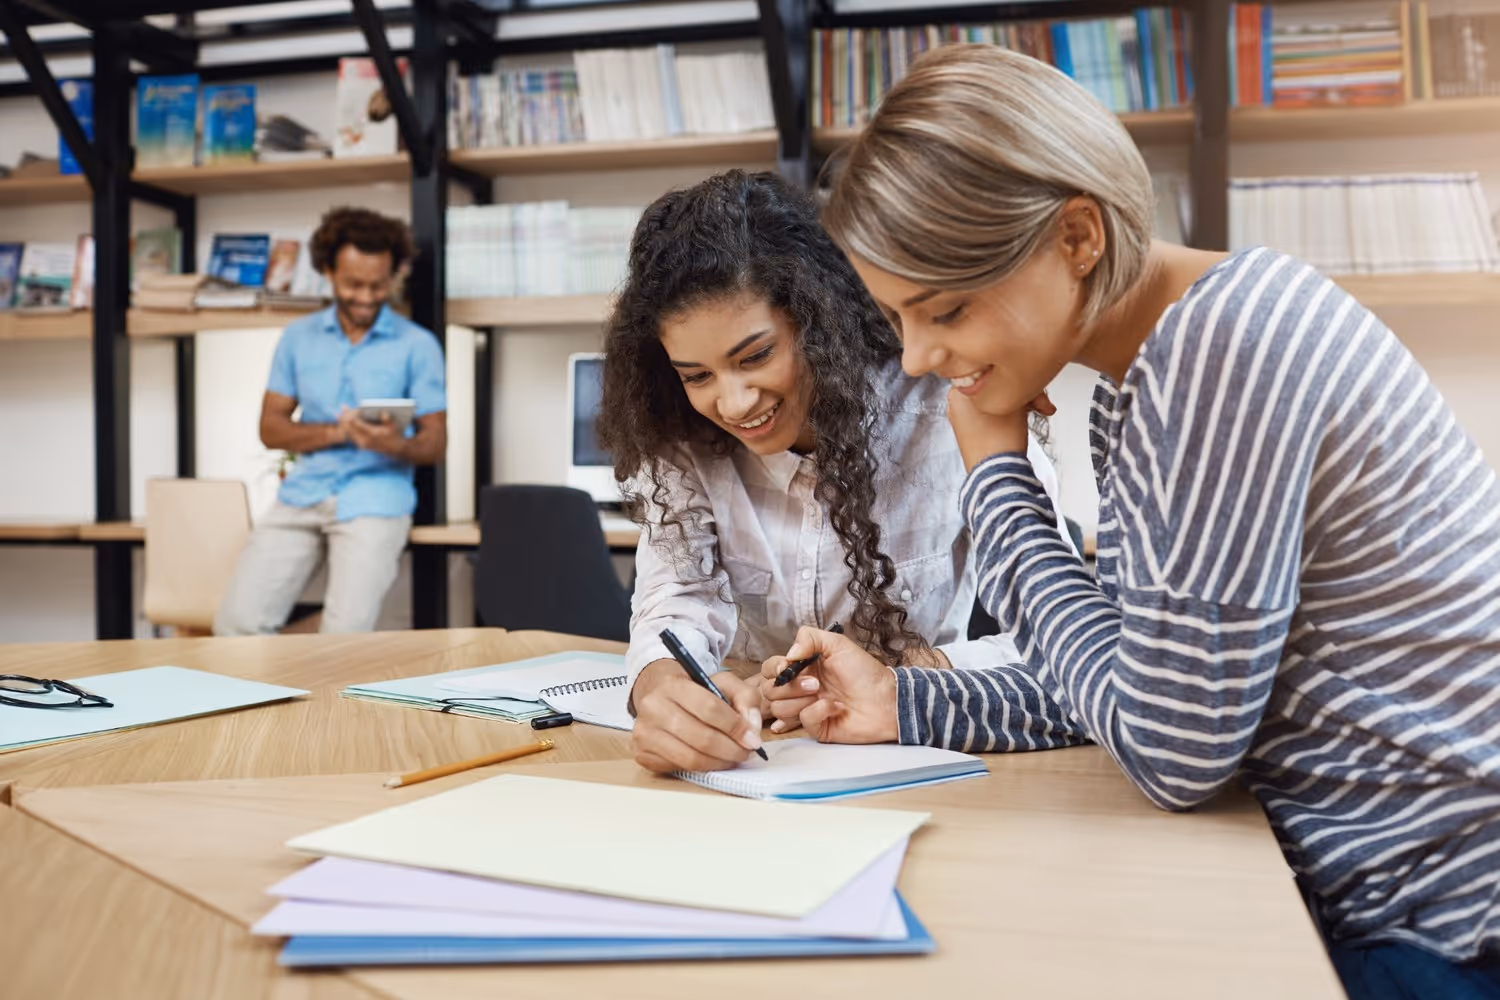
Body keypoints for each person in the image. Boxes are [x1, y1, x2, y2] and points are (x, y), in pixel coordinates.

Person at [761, 45, 1500, 999]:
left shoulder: (1225, 353)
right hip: (1372, 893)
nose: (916, 358)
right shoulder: (1144, 381)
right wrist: (905, 703)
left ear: (1077, 236)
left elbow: (1169, 753)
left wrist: (996, 474)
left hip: (1440, 926)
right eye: (899, 319)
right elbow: (1136, 678)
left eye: (944, 310)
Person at [598, 169, 1063, 775]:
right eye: (698, 376)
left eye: (756, 356)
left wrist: (913, 678)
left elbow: (1059, 642)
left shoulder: (949, 407)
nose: (733, 404)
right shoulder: (680, 434)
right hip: (762, 762)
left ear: (816, 320)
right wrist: (664, 688)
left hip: (919, 752)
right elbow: (676, 599)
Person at [214, 207, 446, 636]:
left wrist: (392, 444)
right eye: (354, 284)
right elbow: (271, 429)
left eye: (378, 285)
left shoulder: (418, 345)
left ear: (394, 275)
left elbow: (435, 443)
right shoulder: (297, 339)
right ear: (327, 272)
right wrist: (339, 432)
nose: (367, 297)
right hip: (303, 493)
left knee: (345, 635)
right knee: (236, 625)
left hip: (376, 499)